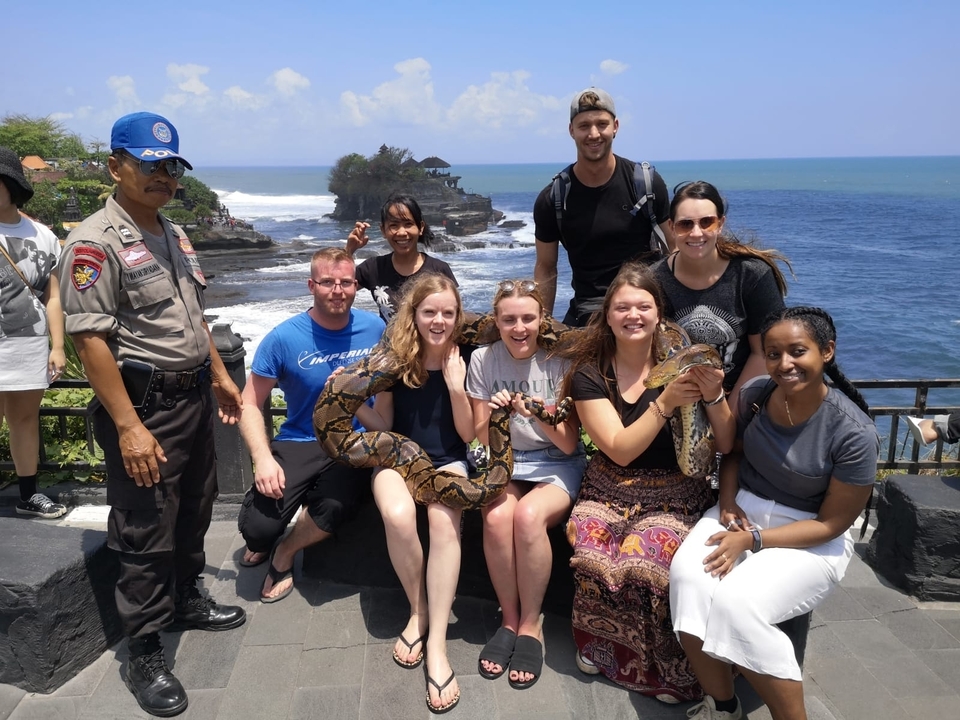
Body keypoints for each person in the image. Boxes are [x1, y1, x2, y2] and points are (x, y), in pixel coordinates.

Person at [59, 112, 246, 718]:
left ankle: (188, 597)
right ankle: (143, 649)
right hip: (147, 407)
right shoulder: (94, 242)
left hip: (191, 396)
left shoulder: (173, 232)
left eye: (171, 166)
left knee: (194, 505)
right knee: (144, 526)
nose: (163, 176)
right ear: (115, 166)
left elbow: (193, 316)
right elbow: (90, 343)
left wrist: (218, 378)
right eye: (149, 165)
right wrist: (129, 427)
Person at [670, 306, 878, 720]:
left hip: (808, 537)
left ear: (827, 351)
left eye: (798, 352)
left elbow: (831, 524)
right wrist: (727, 503)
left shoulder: (853, 433)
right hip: (741, 512)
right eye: (773, 353)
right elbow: (733, 456)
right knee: (688, 582)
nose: (785, 364)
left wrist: (753, 540)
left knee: (738, 604)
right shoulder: (757, 394)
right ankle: (724, 707)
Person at [559, 262, 735, 702]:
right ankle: (599, 649)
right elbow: (618, 448)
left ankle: (665, 670)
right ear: (608, 316)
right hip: (610, 483)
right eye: (622, 307)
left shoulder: (688, 365)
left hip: (676, 487)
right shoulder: (590, 373)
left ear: (660, 314)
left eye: (643, 306)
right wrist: (666, 401)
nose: (633, 315)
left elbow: (727, 441)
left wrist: (712, 394)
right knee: (594, 552)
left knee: (651, 559)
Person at [353, 273, 473, 714]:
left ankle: (437, 644)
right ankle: (417, 610)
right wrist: (348, 400)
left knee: (444, 523)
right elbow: (384, 426)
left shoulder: (468, 357)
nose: (438, 320)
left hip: (450, 460)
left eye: (447, 312)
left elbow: (467, 433)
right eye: (429, 312)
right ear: (414, 315)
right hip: (397, 457)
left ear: (458, 316)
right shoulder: (394, 360)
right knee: (399, 515)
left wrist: (458, 388)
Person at [235, 247, 384, 601]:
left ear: (355, 286)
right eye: (328, 282)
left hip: (355, 439)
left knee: (332, 507)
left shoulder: (375, 328)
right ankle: (271, 531)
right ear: (311, 285)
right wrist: (263, 458)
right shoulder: (284, 338)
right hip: (302, 439)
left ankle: (285, 552)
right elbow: (250, 402)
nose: (338, 290)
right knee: (257, 529)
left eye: (346, 282)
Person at [465, 278, 586, 690]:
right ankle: (510, 618)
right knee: (498, 518)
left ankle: (532, 624)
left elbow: (569, 442)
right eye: (509, 319)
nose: (519, 328)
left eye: (528, 319)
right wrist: (496, 414)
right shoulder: (483, 359)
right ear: (496, 322)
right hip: (506, 461)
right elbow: (479, 436)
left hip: (555, 462)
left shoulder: (560, 360)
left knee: (529, 517)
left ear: (542, 320)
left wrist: (535, 413)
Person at [533, 87, 674, 327]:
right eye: (584, 126)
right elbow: (546, 267)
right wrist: (542, 324)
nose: (594, 133)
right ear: (571, 131)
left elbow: (675, 251)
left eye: (602, 124)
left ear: (615, 127)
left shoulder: (646, 184)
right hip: (588, 314)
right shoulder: (554, 198)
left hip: (641, 310)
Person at [652, 181, 790, 405]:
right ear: (671, 227)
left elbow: (763, 352)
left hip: (744, 399)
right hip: (678, 403)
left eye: (707, 222)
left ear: (721, 224)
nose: (696, 233)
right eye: (685, 224)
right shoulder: (655, 280)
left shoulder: (752, 275)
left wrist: (731, 415)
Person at [0, 146, 67, 519]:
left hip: (30, 340)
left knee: (24, 420)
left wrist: (58, 346)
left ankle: (28, 494)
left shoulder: (43, 234)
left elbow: (53, 296)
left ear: (11, 185)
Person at [345, 194, 457, 322]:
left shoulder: (439, 269)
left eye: (408, 224)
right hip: (390, 342)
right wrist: (349, 250)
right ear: (383, 230)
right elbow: (338, 287)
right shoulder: (373, 268)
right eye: (394, 225)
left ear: (420, 228)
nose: (402, 232)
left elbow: (454, 316)